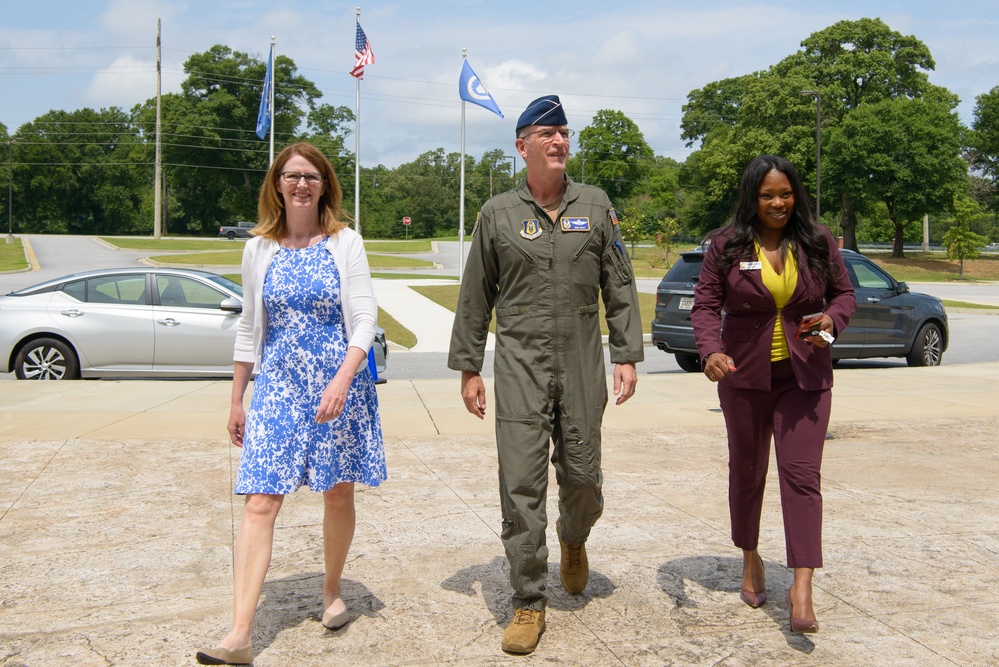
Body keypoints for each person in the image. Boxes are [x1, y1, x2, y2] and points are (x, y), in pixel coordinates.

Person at [448, 95, 644, 654]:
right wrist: (469, 368)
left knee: (583, 478)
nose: (559, 141)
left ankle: (574, 537)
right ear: (522, 146)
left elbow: (621, 286)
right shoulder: (497, 215)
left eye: (564, 132)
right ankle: (528, 600)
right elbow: (474, 297)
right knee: (521, 485)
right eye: (547, 133)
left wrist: (626, 354)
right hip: (519, 366)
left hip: (581, 361)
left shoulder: (596, 205)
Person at [196, 142, 386, 665]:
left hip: (338, 382)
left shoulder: (345, 243)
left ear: (325, 184)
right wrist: (236, 398)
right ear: (277, 184)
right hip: (278, 384)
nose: (301, 184)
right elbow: (249, 328)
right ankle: (239, 633)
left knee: (337, 494)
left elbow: (365, 320)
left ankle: (331, 592)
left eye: (311, 176)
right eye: (291, 175)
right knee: (260, 500)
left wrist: (343, 379)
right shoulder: (259, 248)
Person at [690, 155, 855, 634]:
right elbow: (705, 305)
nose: (778, 203)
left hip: (805, 378)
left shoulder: (817, 240)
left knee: (802, 475)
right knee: (747, 471)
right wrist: (710, 351)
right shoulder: (726, 244)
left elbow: (844, 294)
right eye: (767, 195)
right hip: (743, 378)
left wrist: (833, 320)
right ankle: (750, 556)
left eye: (785, 193)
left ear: (796, 194)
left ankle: (802, 582)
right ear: (752, 198)